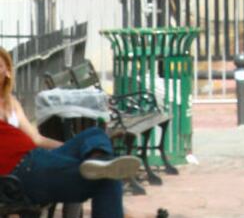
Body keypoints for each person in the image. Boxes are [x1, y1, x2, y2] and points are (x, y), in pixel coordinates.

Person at [0, 47, 141, 217]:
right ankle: (101, 165)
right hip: (22, 171)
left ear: (8, 71)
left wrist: (74, 149)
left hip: (36, 157)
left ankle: (98, 159)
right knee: (108, 179)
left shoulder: (11, 102)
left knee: (94, 134)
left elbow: (36, 139)